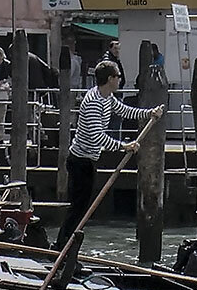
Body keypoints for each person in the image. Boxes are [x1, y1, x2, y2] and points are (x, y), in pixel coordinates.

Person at [55, 60, 164, 249]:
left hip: (89, 161)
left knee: (82, 210)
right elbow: (98, 137)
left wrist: (149, 113)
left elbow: (125, 111)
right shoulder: (93, 101)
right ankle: (62, 247)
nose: (120, 80)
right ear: (110, 79)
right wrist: (124, 146)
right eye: (118, 77)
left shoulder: (107, 98)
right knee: (78, 210)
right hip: (79, 161)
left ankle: (66, 248)